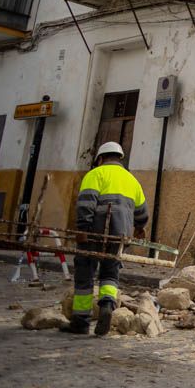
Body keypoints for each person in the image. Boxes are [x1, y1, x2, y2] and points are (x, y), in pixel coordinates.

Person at [63, 142, 146, 336]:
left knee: (84, 274)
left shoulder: (94, 174)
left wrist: (82, 229)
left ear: (100, 158)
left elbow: (85, 204)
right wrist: (139, 227)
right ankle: (107, 304)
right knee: (110, 273)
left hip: (94, 232)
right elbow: (142, 211)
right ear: (119, 159)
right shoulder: (132, 180)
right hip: (120, 236)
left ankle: (81, 322)